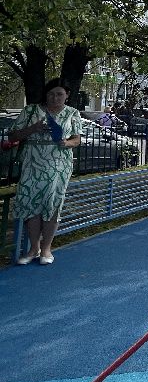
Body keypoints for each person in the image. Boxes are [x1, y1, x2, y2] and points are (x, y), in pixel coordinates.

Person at [9, 79, 83, 266]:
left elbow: (77, 139)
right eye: (51, 94)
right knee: (31, 204)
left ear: (67, 95)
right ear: (46, 94)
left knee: (52, 204)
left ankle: (47, 248)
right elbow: (13, 135)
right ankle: (33, 249)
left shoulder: (72, 113)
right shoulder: (31, 111)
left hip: (59, 164)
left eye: (59, 94)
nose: (55, 98)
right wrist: (33, 128)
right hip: (32, 163)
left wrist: (66, 143)